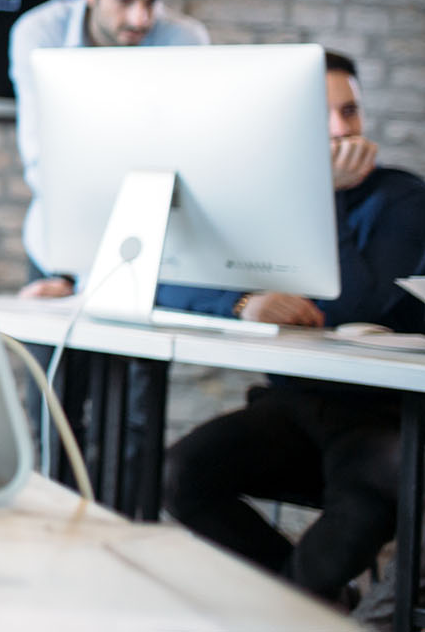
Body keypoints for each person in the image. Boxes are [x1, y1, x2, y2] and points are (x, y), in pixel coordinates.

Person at [162, 50, 425, 607]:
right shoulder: (263, 199)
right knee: (178, 475)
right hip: (295, 408)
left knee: (379, 485)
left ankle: (291, 605)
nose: (340, 129)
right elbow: (172, 284)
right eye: (322, 115)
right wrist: (243, 304)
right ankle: (315, 604)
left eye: (350, 112)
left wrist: (325, 197)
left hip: (378, 419)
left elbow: (355, 307)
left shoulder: (401, 198)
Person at [10, 0, 211, 293]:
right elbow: (42, 159)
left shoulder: (185, 41)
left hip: (155, 249)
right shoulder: (40, 33)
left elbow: (191, 156)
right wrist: (78, 277)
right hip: (60, 247)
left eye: (153, 1)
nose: (141, 19)